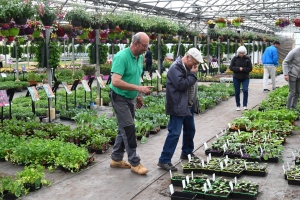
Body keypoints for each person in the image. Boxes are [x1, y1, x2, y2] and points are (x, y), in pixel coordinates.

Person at [109, 32, 153, 175]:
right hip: (119, 97)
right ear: (135, 43)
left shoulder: (139, 57)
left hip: (130, 98)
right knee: (129, 128)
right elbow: (115, 81)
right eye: (144, 45)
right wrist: (138, 88)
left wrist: (138, 95)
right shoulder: (122, 57)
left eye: (147, 45)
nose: (146, 49)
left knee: (124, 127)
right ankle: (135, 163)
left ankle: (116, 158)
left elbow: (136, 78)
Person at [157, 48, 203, 171]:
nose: (195, 66)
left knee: (190, 129)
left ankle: (186, 152)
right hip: (177, 105)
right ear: (187, 57)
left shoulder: (186, 67)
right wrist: (193, 75)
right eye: (194, 62)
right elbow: (181, 84)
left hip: (187, 105)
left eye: (196, 64)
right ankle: (164, 160)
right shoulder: (175, 67)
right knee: (174, 133)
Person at [229, 46, 253, 111]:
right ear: (238, 52)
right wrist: (238, 69)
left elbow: (250, 68)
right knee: (237, 91)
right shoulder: (235, 58)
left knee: (245, 90)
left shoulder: (247, 58)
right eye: (240, 53)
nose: (241, 54)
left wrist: (243, 69)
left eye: (243, 53)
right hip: (236, 77)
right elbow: (231, 67)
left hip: (245, 77)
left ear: (245, 53)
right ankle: (238, 105)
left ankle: (245, 105)